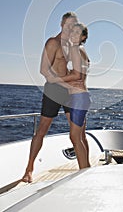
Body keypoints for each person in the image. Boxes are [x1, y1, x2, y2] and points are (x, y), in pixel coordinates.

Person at [22, 12, 78, 183]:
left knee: (77, 130)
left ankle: (82, 167)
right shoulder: (53, 43)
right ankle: (29, 169)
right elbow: (44, 70)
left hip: (69, 91)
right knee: (42, 131)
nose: (70, 28)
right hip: (53, 89)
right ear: (61, 24)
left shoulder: (70, 46)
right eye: (68, 25)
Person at [53, 23, 91, 169]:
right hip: (82, 97)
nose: (73, 36)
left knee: (74, 137)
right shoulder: (82, 51)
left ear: (83, 37)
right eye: (72, 33)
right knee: (81, 136)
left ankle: (83, 171)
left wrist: (57, 79)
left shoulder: (77, 50)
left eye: (77, 33)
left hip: (78, 99)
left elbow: (77, 75)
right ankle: (86, 168)